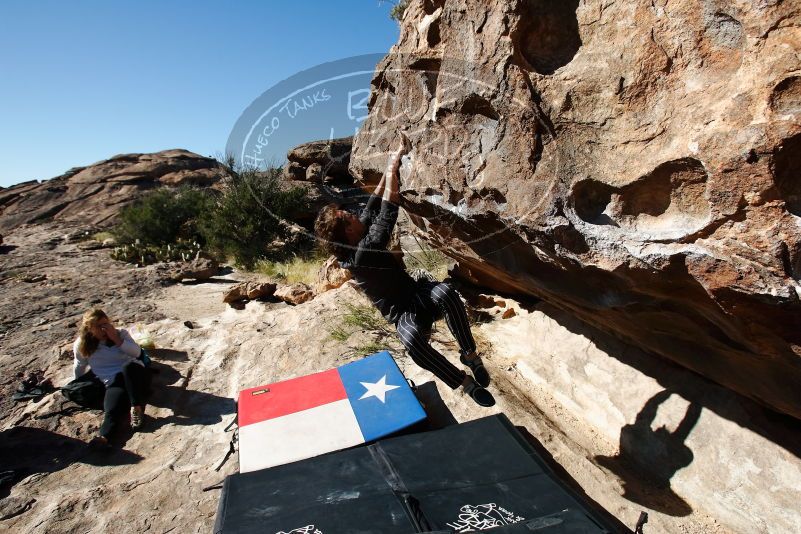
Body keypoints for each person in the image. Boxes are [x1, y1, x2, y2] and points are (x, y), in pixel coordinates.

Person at [314, 133, 494, 407]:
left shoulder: (355, 239)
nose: (354, 214)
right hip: (401, 313)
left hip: (415, 292)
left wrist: (389, 167)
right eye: (349, 216)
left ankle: (470, 355)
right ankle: (464, 383)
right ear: (349, 231)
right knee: (412, 342)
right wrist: (395, 162)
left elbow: (373, 203)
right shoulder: (362, 255)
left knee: (446, 293)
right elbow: (388, 209)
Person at [73, 309, 150, 446]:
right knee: (112, 407)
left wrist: (116, 339)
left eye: (105, 324)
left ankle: (136, 407)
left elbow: (138, 353)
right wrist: (79, 383)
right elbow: (79, 366)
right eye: (98, 326)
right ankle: (104, 437)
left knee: (128, 367)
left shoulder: (121, 333)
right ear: (89, 328)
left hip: (136, 373)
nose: (104, 329)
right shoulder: (82, 344)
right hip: (114, 381)